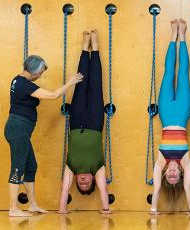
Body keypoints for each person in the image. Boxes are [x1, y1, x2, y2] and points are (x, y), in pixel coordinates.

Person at [5, 52, 82, 217]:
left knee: (30, 166)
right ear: (32, 71)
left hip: (20, 129)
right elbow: (54, 95)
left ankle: (32, 204)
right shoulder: (25, 84)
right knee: (17, 168)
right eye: (40, 73)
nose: (40, 76)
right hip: (18, 129)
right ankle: (13, 208)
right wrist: (70, 83)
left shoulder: (17, 80)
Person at [58, 31, 111, 215]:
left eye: (81, 185)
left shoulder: (71, 167)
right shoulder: (97, 168)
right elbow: (104, 190)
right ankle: (94, 48)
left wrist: (62, 210)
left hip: (77, 121)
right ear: (93, 180)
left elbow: (65, 189)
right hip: (95, 123)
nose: (83, 182)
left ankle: (84, 46)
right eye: (87, 183)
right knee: (95, 85)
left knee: (80, 84)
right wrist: (105, 209)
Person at [149, 19, 190, 215]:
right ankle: (182, 36)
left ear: (165, 174)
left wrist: (153, 208)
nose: (173, 174)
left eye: (170, 177)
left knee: (168, 73)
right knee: (183, 74)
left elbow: (156, 187)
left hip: (167, 114)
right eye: (176, 176)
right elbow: (187, 188)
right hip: (183, 113)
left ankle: (172, 35)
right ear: (181, 174)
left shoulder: (162, 160)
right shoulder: (185, 161)